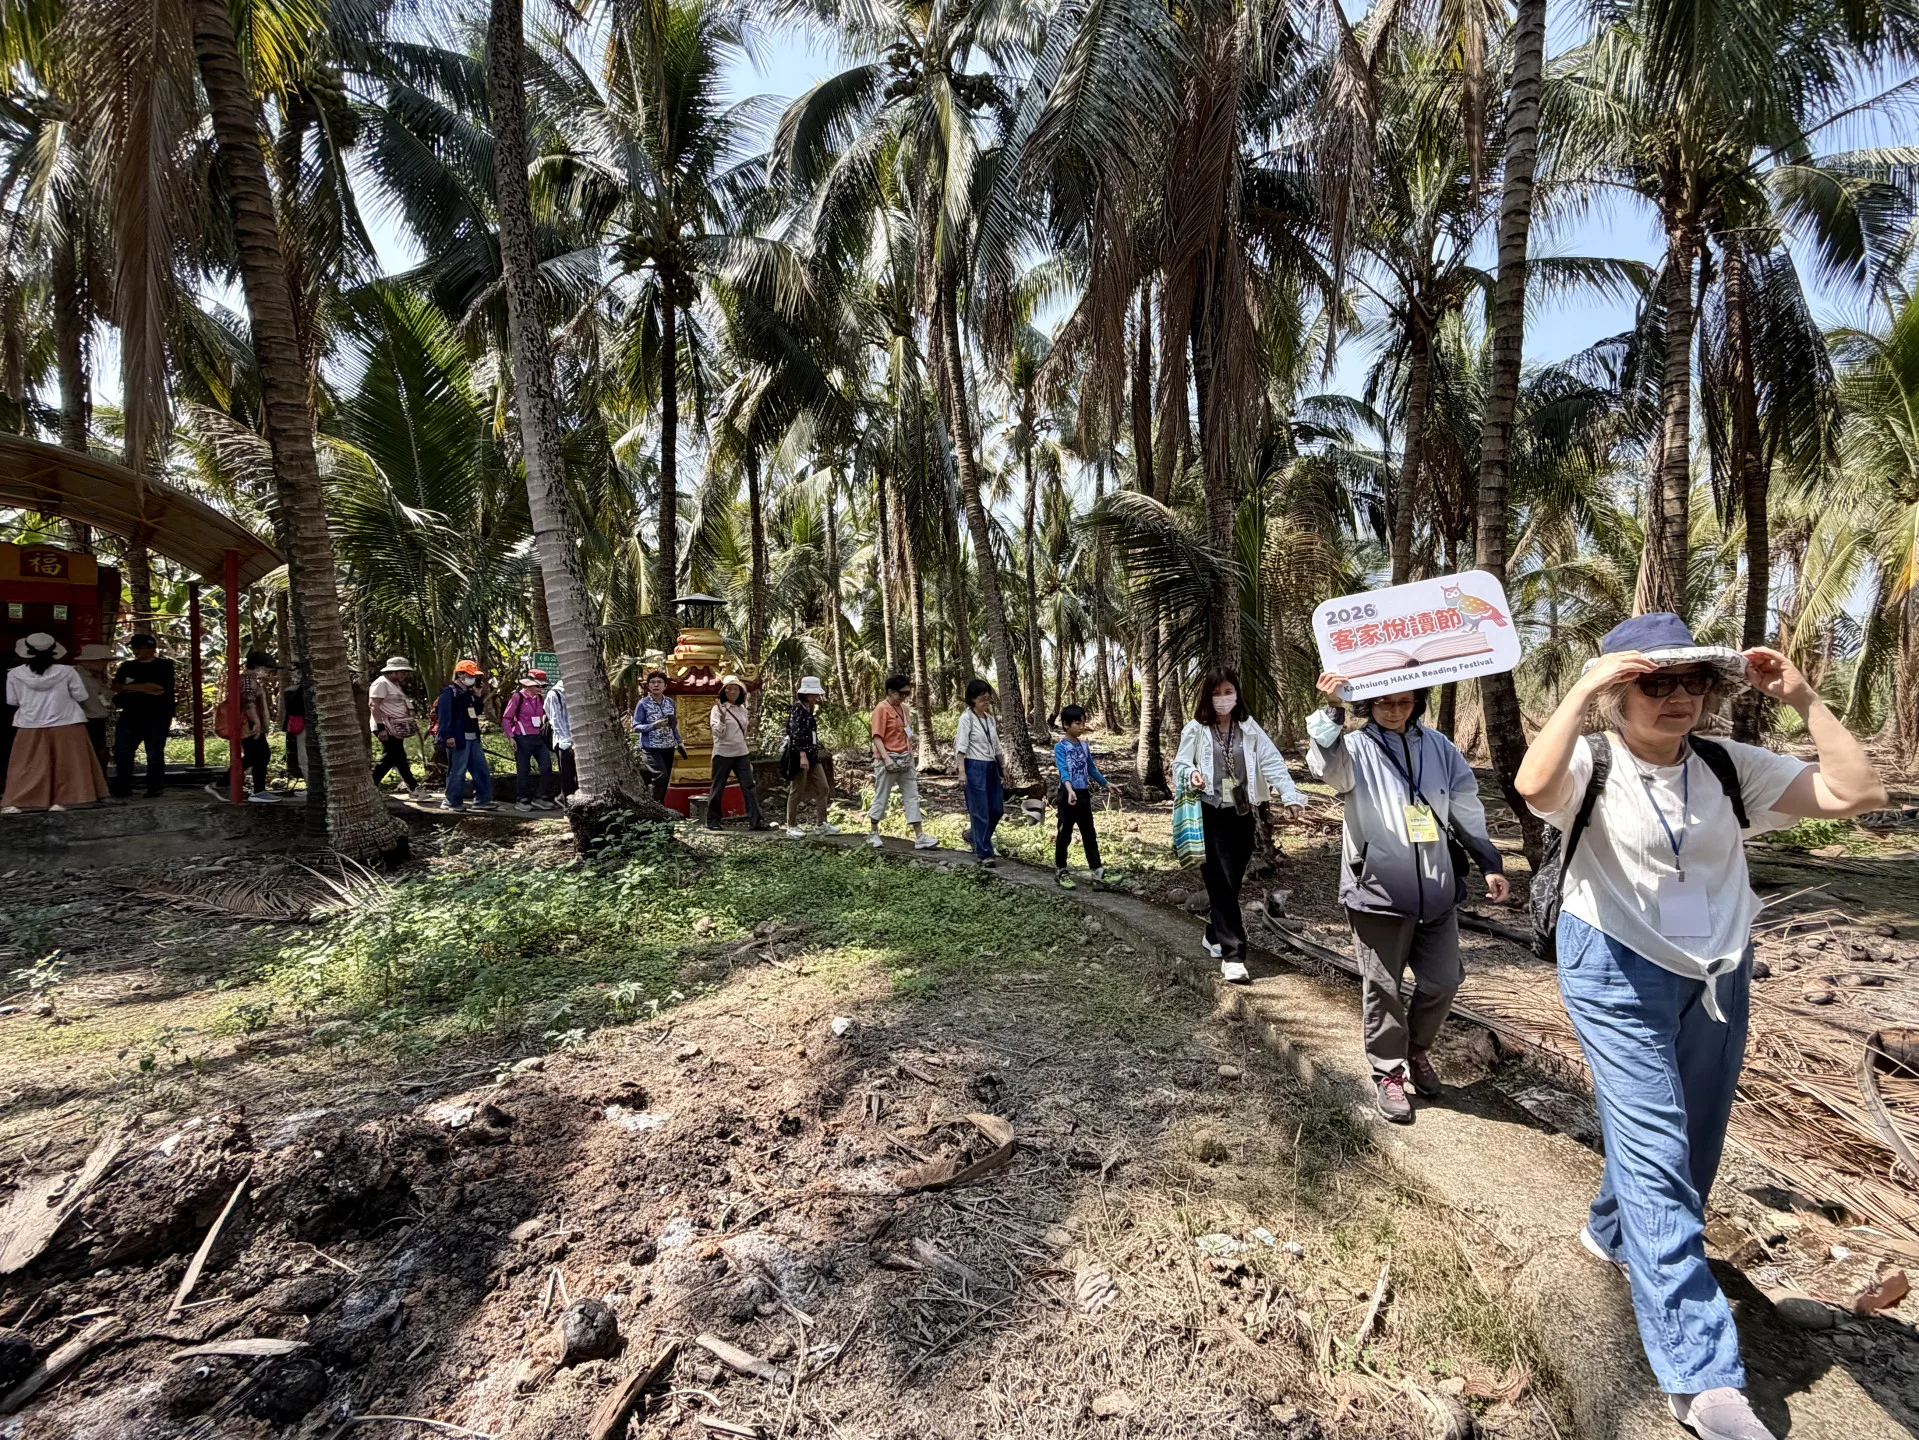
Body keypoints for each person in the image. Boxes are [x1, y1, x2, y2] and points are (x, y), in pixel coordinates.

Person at [1514, 614, 1886, 1440]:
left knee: (1698, 1141)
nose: (1677, 696)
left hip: (1715, 970)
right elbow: (1534, 790)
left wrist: (1799, 697)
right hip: (1611, 962)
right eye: (1654, 681)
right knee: (1654, 1146)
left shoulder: (1726, 766)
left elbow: (1858, 794)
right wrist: (1581, 686)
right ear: (1619, 692)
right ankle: (1703, 1379)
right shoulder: (1593, 759)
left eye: (1692, 681)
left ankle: (1609, 1229)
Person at [1307, 677, 1509, 1121]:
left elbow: (1466, 806)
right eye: (1384, 703)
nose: (1395, 710)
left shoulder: (1439, 747)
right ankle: (1388, 1072)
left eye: (1404, 702)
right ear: (1368, 703)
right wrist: (1332, 709)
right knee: (1383, 986)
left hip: (1437, 888)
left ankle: (1416, 1050)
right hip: (1377, 888)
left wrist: (1489, 861)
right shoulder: (1355, 747)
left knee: (1443, 981)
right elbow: (1327, 770)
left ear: (1418, 701)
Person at [1174, 669, 1307, 982]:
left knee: (1231, 883)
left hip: (1243, 813)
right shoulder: (1196, 729)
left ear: (1237, 693)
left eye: (1228, 691)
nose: (1223, 699)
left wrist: (1290, 795)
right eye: (1216, 693)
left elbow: (1272, 762)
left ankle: (1213, 933)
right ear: (1207, 696)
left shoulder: (1248, 728)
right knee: (1220, 881)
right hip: (1208, 812)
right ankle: (1234, 956)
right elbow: (1180, 762)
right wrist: (1190, 773)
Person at [3, 634, 110, 813]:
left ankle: (21, 800)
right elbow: (81, 696)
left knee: (27, 764)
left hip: (30, 723)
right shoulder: (67, 671)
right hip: (67, 721)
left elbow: (12, 701)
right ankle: (66, 800)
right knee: (68, 763)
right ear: (54, 652)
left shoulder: (15, 673)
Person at [867, 673, 939, 851]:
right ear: (890, 692)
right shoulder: (881, 709)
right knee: (881, 796)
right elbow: (877, 737)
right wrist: (886, 758)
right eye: (901, 693)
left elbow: (906, 730)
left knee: (912, 795)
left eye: (907, 693)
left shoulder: (904, 709)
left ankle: (920, 836)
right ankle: (873, 832)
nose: (904, 697)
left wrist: (912, 740)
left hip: (905, 758)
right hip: (887, 760)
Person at [111, 632, 175, 798]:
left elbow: (159, 688)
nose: (135, 650)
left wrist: (130, 686)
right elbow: (116, 686)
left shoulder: (164, 665)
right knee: (123, 750)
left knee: (154, 752)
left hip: (157, 715)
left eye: (139, 647)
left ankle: (155, 786)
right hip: (130, 714)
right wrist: (143, 687)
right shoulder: (126, 666)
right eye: (133, 647)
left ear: (151, 648)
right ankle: (123, 786)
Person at [1050, 704, 1108, 887]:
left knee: (1089, 833)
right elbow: (1063, 770)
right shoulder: (1061, 747)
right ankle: (1061, 870)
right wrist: (1069, 790)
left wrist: (1106, 783)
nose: (1082, 726)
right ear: (1066, 725)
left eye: (1083, 722)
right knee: (1064, 833)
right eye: (1077, 723)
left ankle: (1097, 871)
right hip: (1067, 794)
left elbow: (1091, 768)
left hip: (1082, 793)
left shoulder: (1084, 745)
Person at [954, 679, 1006, 866]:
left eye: (988, 698)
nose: (986, 701)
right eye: (982, 698)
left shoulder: (989, 719)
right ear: (972, 700)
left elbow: (997, 745)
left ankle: (974, 836)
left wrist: (1003, 766)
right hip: (974, 766)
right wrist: (962, 772)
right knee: (980, 810)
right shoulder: (966, 719)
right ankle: (984, 853)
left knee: (996, 809)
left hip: (991, 766)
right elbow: (961, 747)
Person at [706, 674, 767, 830]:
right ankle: (713, 821)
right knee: (718, 787)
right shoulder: (717, 709)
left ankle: (756, 821)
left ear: (741, 692)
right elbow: (717, 733)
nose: (732, 692)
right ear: (723, 691)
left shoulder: (742, 709)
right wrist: (722, 716)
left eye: (735, 689)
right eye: (729, 689)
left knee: (749, 786)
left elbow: (743, 731)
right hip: (722, 753)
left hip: (741, 752)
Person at [434, 659, 496, 812]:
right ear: (460, 675)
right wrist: (448, 736)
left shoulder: (468, 693)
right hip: (458, 737)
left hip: (473, 737)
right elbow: (445, 716)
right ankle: (452, 801)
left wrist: (477, 697)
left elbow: (475, 713)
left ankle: (483, 799)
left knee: (480, 769)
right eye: (470, 675)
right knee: (457, 770)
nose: (473, 679)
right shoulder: (449, 692)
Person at [782, 676, 836, 837]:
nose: (814, 696)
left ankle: (821, 822)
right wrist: (802, 755)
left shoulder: (809, 708)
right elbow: (796, 733)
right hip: (800, 754)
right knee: (797, 789)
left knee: (823, 787)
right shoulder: (798, 709)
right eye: (811, 693)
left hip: (812, 754)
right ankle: (791, 825)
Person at [502, 669, 558, 813]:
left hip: (538, 738)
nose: (541, 689)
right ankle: (522, 799)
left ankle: (541, 796)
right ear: (529, 685)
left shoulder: (540, 699)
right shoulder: (517, 698)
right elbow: (507, 718)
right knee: (523, 770)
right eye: (538, 686)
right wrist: (511, 737)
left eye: (543, 686)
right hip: (522, 737)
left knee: (546, 767)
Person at [233, 651, 280, 802]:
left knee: (254, 757)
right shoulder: (248, 681)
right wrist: (256, 722)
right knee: (260, 755)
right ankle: (257, 790)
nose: (267, 673)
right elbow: (248, 702)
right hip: (249, 725)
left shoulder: (250, 680)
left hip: (250, 724)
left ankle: (257, 789)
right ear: (258, 667)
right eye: (266, 669)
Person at [369, 656, 419, 795]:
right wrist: (381, 728)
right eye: (403, 672)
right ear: (393, 671)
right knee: (392, 757)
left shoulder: (394, 684)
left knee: (396, 757)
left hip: (396, 727)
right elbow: (374, 705)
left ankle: (413, 787)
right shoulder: (381, 683)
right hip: (386, 726)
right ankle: (413, 787)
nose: (405, 675)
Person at [632, 670, 683, 804]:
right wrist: (653, 726)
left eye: (659, 682)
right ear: (648, 686)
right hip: (651, 747)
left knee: (665, 779)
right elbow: (636, 726)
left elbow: (673, 724)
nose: (656, 685)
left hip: (668, 746)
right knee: (660, 775)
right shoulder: (643, 704)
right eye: (652, 682)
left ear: (665, 686)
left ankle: (660, 804)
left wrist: (679, 741)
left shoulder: (670, 703)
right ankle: (653, 804)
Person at [73, 644, 116, 775]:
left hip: (99, 719)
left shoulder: (99, 677)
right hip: (83, 720)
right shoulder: (75, 676)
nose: (104, 665)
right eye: (102, 661)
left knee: (100, 753)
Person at [548, 678, 577, 797]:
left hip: (579, 740)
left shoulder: (578, 692)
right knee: (567, 777)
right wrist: (568, 742)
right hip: (564, 742)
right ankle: (567, 804)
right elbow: (556, 721)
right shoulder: (555, 694)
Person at [281, 667, 307, 787]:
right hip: (305, 726)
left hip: (301, 726)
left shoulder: (290, 691)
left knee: (304, 759)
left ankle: (311, 787)